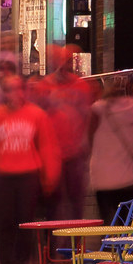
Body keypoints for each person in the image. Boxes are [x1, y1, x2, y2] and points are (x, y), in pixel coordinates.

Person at [0, 68, 60, 264]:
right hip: (2, 175)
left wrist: (50, 177)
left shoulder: (37, 115)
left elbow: (47, 147)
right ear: (5, 92)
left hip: (28, 175)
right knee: (3, 223)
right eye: (10, 90)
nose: (15, 93)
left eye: (19, 89)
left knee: (25, 223)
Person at [33, 45, 97, 221]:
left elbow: (88, 117)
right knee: (53, 204)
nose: (64, 65)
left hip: (75, 155)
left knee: (75, 202)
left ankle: (75, 243)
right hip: (52, 155)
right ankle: (54, 243)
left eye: (67, 61)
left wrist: (86, 144)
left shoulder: (81, 86)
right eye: (60, 61)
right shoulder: (43, 87)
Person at [90, 75, 133, 219]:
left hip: (102, 180)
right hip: (129, 180)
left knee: (108, 228)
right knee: (128, 226)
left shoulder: (96, 109)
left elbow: (88, 140)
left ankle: (109, 241)